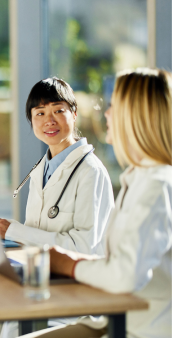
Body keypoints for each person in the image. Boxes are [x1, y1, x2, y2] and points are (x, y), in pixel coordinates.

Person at [27, 68, 172, 338]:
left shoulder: (157, 185)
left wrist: (67, 263)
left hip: (140, 328)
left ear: (138, 117)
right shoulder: (139, 178)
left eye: (114, 107)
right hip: (112, 318)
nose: (106, 114)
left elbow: (124, 275)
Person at [0, 77, 113, 256]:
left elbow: (85, 247)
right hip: (40, 270)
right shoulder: (41, 169)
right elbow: (35, 231)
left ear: (74, 113)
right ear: (31, 120)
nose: (49, 121)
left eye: (58, 111)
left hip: (76, 280)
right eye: (40, 113)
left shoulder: (90, 171)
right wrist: (6, 228)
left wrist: (14, 231)